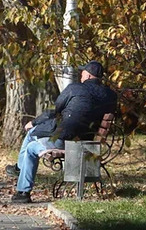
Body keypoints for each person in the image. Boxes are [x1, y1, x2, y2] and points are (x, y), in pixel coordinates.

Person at [9, 60, 118, 204]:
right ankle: (18, 169)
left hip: (65, 141)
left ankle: (22, 191)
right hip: (87, 144)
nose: (81, 75)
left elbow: (54, 111)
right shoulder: (110, 95)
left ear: (89, 76)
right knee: (33, 133)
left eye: (83, 73)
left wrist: (33, 122)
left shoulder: (74, 88)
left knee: (31, 143)